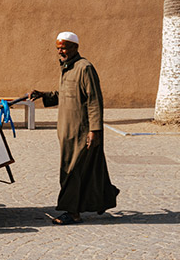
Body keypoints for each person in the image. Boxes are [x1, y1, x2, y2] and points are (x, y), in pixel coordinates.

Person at [30, 31, 119, 225]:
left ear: (75, 47)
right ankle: (104, 196)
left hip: (81, 130)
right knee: (87, 168)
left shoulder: (84, 68)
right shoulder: (66, 68)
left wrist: (94, 130)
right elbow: (64, 94)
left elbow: (95, 100)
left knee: (71, 170)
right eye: (58, 48)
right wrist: (43, 95)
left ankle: (72, 212)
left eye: (64, 47)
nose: (60, 51)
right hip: (66, 129)